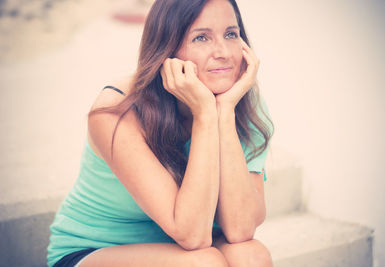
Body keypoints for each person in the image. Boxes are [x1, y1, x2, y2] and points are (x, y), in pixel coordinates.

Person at [47, 0, 274, 266]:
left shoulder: (240, 101)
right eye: (201, 37)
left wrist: (224, 114)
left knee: (252, 256)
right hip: (100, 249)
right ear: (167, 49)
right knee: (203, 264)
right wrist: (204, 115)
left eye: (231, 34)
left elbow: (240, 229)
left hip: (186, 247)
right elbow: (193, 236)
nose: (223, 51)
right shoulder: (117, 111)